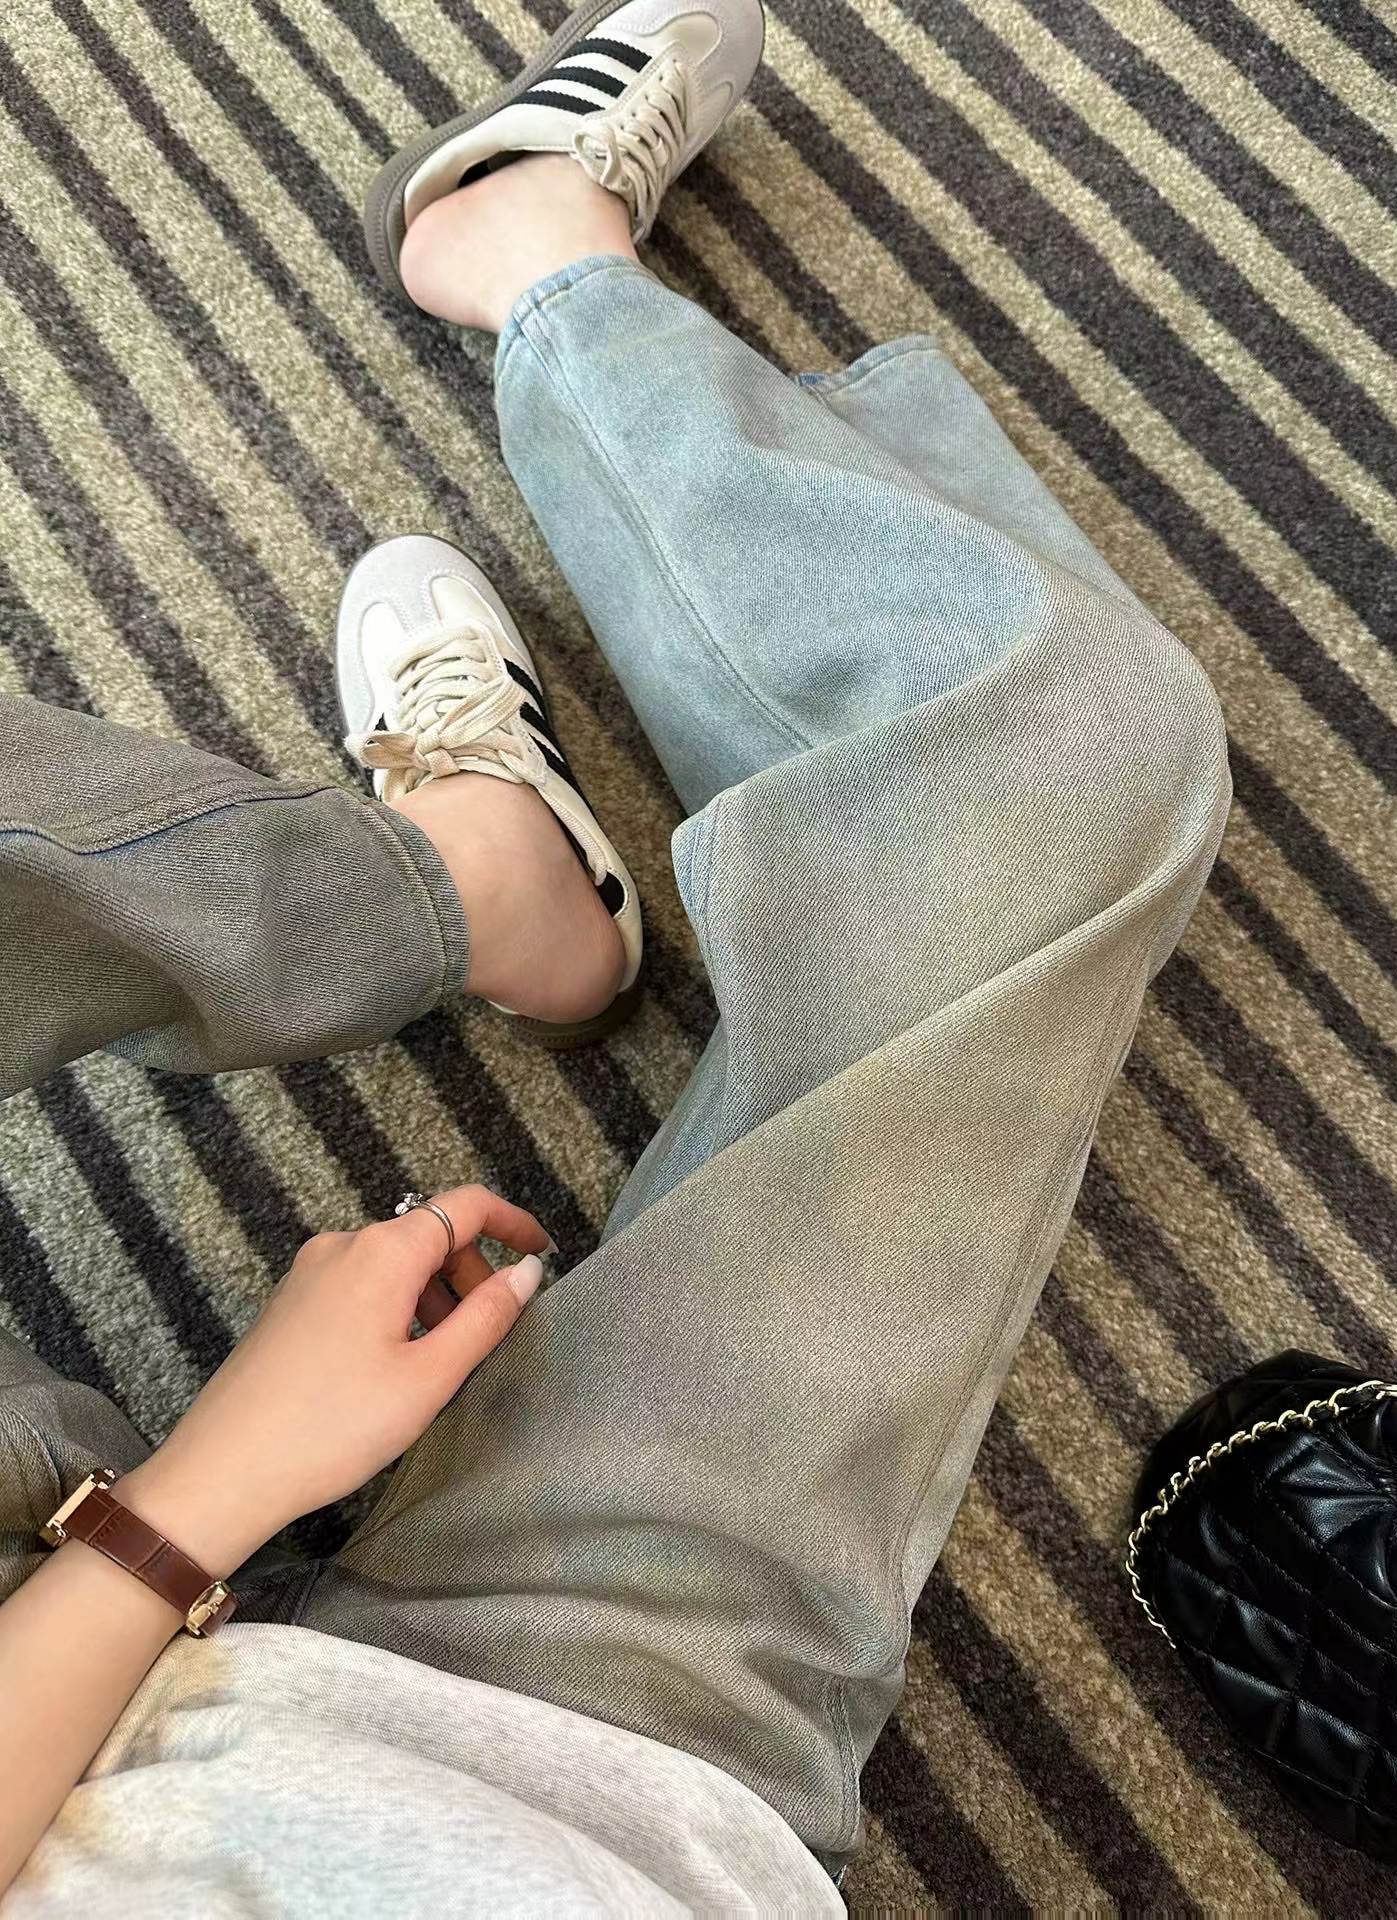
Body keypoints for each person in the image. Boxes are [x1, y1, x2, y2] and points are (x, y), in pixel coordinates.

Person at [0, 0, 1230, 1908]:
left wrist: (189, 1510)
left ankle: (449, 883)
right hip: (598, 1749)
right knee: (1078, 754)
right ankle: (538, 265)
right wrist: (191, 1508)